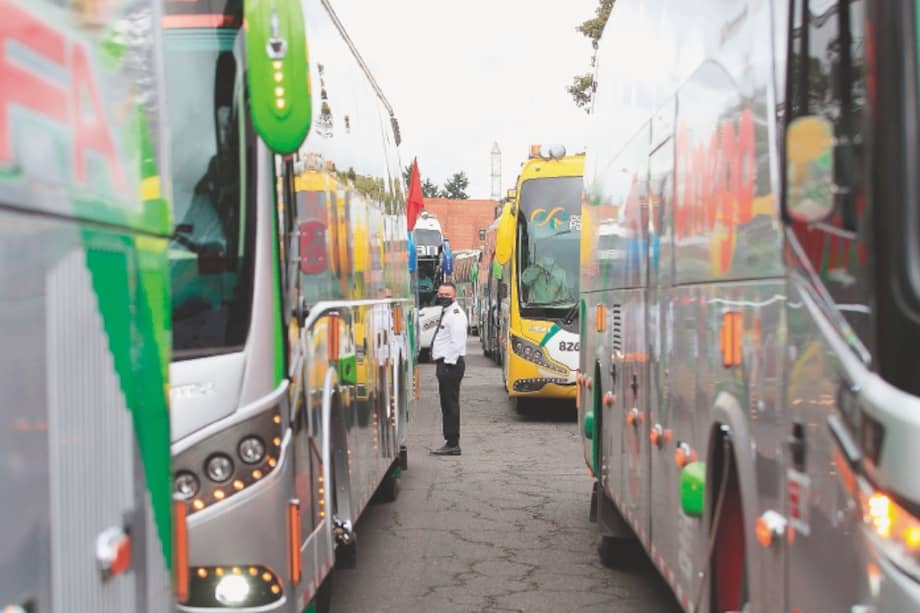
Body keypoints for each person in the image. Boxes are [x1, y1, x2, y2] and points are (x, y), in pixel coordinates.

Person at [430, 282, 468, 456]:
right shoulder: (446, 313)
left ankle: (453, 443)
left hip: (450, 365)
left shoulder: (456, 314)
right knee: (446, 404)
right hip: (446, 364)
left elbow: (457, 343)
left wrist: (447, 364)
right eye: (441, 294)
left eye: (447, 295)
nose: (443, 297)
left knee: (450, 404)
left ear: (454, 296)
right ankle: (450, 441)